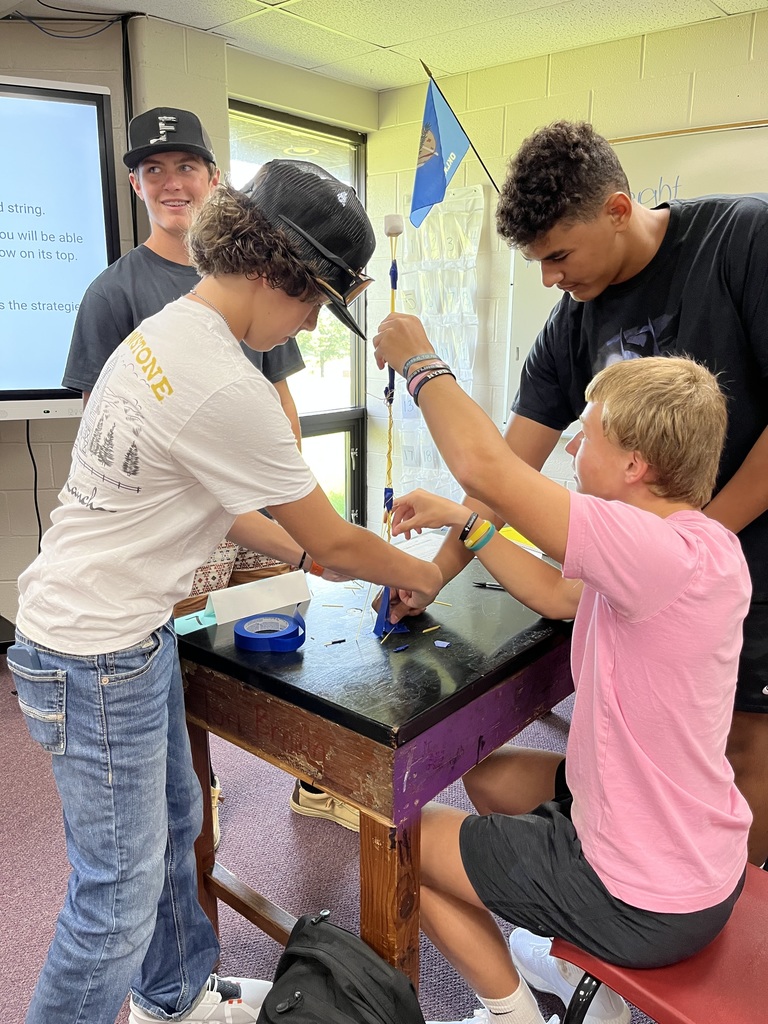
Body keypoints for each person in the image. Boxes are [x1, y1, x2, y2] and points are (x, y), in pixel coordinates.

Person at [8, 161, 442, 1024]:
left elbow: (234, 508)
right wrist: (420, 573)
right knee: (113, 904)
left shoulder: (169, 332)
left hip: (117, 636)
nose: (310, 323)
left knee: (176, 831)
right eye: (314, 303)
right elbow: (335, 537)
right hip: (95, 653)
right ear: (280, 273)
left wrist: (305, 552)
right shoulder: (223, 382)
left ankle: (175, 1000)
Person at [389, 120, 768, 871]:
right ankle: (623, 889)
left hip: (738, 558)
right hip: (647, 573)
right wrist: (434, 572)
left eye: (559, 256)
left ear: (618, 210)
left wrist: (688, 551)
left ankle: (728, 916)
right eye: (536, 262)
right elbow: (505, 472)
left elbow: (488, 471)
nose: (549, 279)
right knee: (645, 751)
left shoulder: (742, 241)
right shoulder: (570, 323)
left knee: (744, 744)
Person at [371, 326, 751, 1024]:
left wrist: (416, 360)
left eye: (589, 433)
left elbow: (488, 468)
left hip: (643, 897)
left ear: (634, 463)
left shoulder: (651, 550)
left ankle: (514, 1016)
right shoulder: (703, 547)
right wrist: (465, 523)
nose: (573, 446)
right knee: (488, 778)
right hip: (698, 859)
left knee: (396, 840)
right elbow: (557, 594)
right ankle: (577, 965)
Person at [61, 106, 350, 843]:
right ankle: (194, 787)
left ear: (214, 180)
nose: (172, 183)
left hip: (258, 506)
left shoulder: (261, 277)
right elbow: (110, 432)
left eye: (186, 166)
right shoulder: (116, 294)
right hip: (178, 527)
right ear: (135, 185)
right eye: (153, 170)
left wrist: (290, 500)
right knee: (185, 669)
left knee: (298, 629)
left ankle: (317, 777)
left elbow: (278, 394)